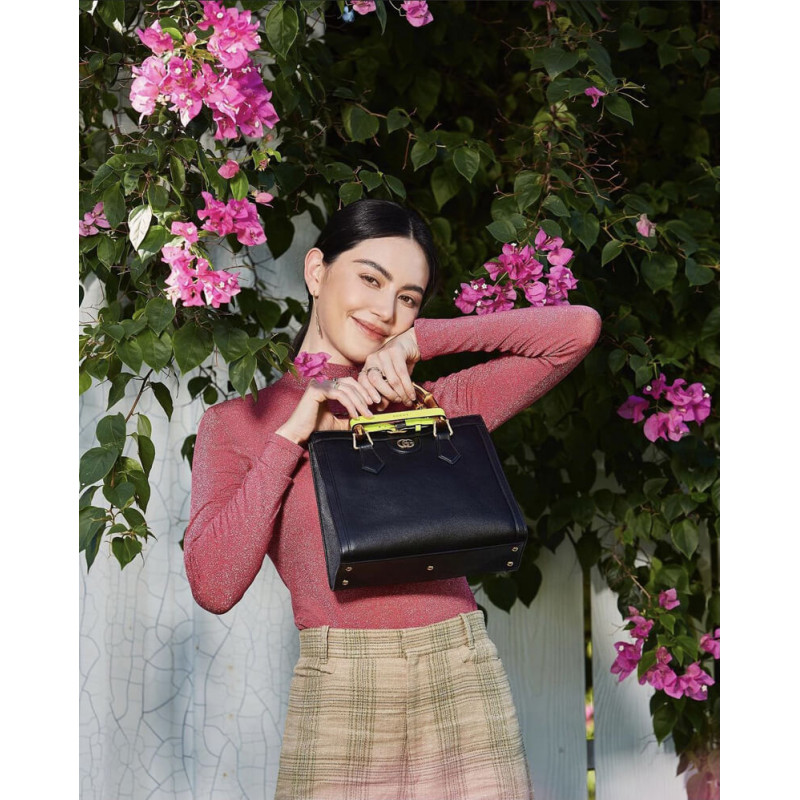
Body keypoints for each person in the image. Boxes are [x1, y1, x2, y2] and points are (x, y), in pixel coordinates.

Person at [184, 198, 602, 799]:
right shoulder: (239, 425)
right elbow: (213, 584)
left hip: (460, 676)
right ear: (316, 271)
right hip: (340, 686)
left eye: (408, 297)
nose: (386, 311)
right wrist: (293, 434)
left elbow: (577, 330)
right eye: (371, 279)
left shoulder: (433, 409)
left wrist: (418, 343)